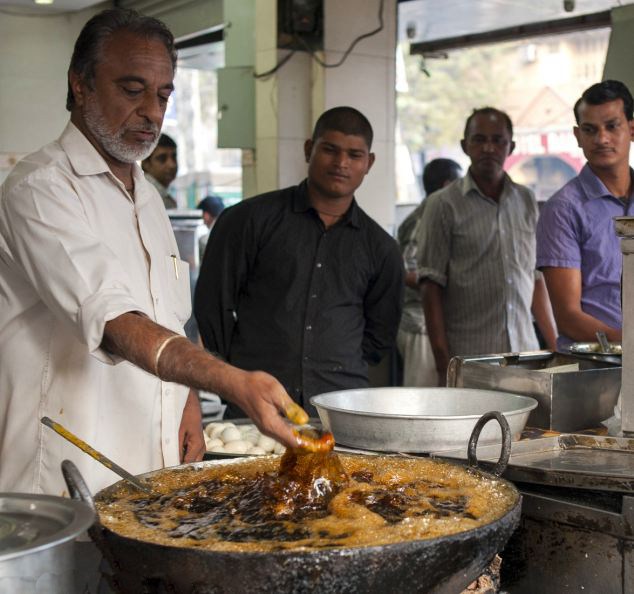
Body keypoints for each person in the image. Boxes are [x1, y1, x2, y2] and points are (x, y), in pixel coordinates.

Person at [0, 8, 303, 497]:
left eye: (163, 95)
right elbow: (117, 323)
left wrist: (187, 401)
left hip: (148, 475)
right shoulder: (39, 189)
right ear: (81, 84)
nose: (152, 113)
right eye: (132, 89)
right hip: (65, 479)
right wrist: (231, 381)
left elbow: (170, 317)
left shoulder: (146, 196)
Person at [194, 106, 404, 417]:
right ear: (309, 149)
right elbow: (212, 307)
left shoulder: (381, 248)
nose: (341, 163)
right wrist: (237, 373)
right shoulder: (249, 220)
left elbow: (378, 337)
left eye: (354, 155)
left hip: (340, 409)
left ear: (369, 162)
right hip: (254, 402)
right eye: (330, 150)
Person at [417, 107, 557, 386]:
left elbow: (535, 278)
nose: (489, 148)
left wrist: (555, 347)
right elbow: (430, 287)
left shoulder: (527, 201)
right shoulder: (443, 204)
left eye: (498, 140)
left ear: (511, 146)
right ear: (464, 146)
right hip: (470, 363)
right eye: (479, 140)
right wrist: (443, 363)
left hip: (526, 357)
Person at [537, 80, 634, 349]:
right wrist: (628, 346)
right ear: (578, 136)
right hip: (594, 369)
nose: (601, 139)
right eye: (590, 130)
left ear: (632, 129)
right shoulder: (563, 209)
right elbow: (568, 317)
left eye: (612, 126)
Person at [396, 158, 462, 387]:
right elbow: (405, 270)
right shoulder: (421, 219)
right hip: (420, 325)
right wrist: (444, 283)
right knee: (420, 403)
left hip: (432, 325)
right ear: (446, 185)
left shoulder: (437, 214)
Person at [142, 132, 178, 209]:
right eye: (162, 158)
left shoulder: (161, 193)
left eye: (174, 157)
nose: (171, 165)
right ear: (146, 163)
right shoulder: (146, 194)